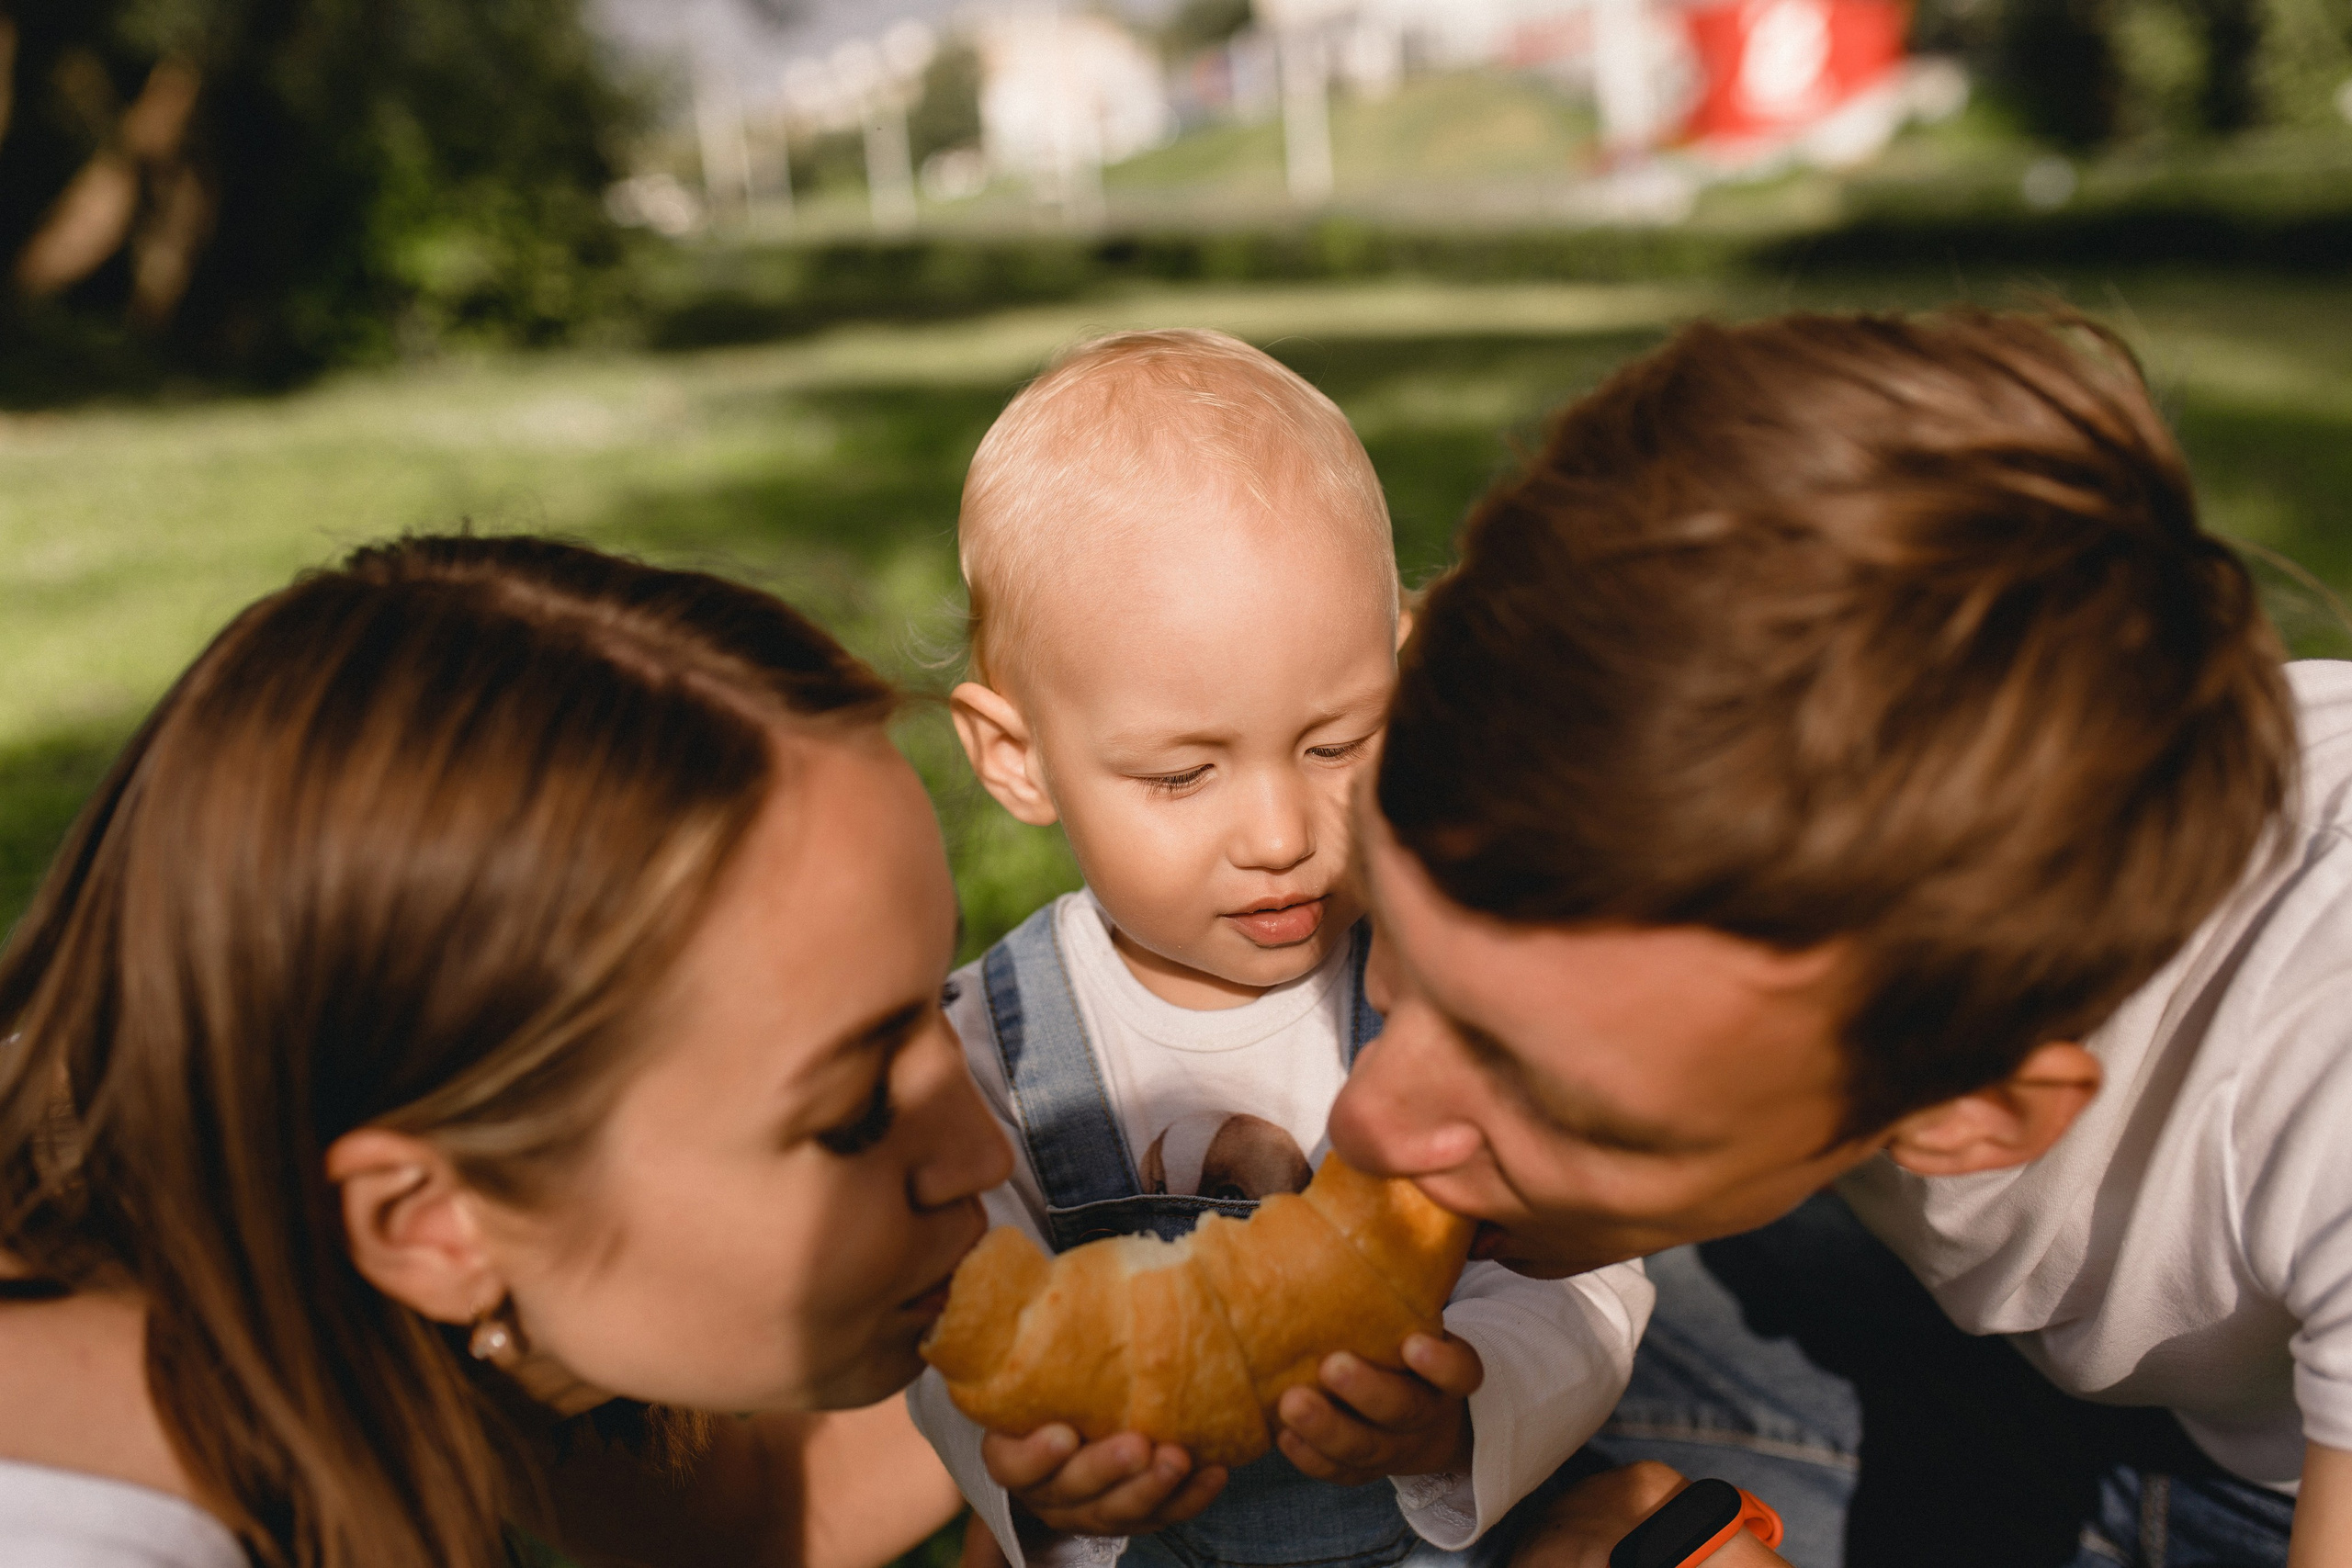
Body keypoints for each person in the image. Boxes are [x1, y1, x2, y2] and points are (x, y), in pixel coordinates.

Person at [1323, 310, 2351, 1567]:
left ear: (1973, 1108)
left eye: (1546, 1089)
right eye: (1398, 947)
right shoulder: (1645, 743)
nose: (1368, 1113)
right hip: (2073, 1388)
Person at [0, 535, 1015, 1568]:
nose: (988, 1151)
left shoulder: (288, 1198)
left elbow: (755, 1521)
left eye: (931, 999)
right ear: (430, 1221)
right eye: (851, 1111)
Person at [910, 331, 1652, 1568]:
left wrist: (1463, 1409)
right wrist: (1041, 1484)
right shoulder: (989, 1050)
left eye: (1335, 743)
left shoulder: (1442, 984)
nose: (1277, 832)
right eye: (1184, 771)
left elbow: (1588, 1277)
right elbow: (953, 1319)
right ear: (1018, 758)